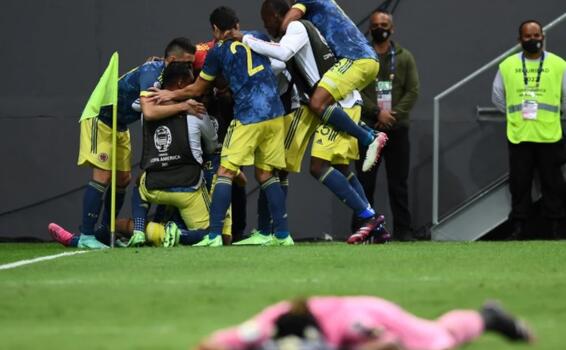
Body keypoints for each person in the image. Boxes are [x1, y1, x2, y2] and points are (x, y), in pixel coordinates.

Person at [233, 0, 388, 245]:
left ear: (277, 15)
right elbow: (280, 63)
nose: (268, 26)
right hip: (342, 103)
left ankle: (275, 232)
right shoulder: (299, 31)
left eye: (267, 21)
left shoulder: (296, 28)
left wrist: (245, 40)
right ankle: (374, 221)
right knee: (341, 168)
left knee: (312, 166)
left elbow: (281, 57)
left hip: (335, 104)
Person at [149, 6, 292, 247]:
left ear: (215, 29)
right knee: (267, 174)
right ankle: (282, 235)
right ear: (236, 24)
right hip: (275, 113)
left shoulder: (218, 51)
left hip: (249, 115)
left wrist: (168, 95)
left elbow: (197, 89)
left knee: (225, 172)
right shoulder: (258, 35)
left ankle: (213, 235)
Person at [48, 38, 202, 248]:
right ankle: (85, 235)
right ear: (172, 59)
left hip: (119, 125)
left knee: (123, 179)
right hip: (100, 118)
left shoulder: (167, 76)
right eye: (186, 62)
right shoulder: (151, 71)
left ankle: (104, 231)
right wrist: (184, 106)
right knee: (103, 176)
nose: (189, 67)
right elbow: (149, 112)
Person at [279, 0, 387, 173]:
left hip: (355, 59)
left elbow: (285, 25)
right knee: (335, 107)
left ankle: (368, 138)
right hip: (362, 59)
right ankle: (369, 133)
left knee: (317, 103)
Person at [196, 296, 533, 350]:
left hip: (381, 317)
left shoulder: (351, 323)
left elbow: (390, 344)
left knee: (438, 339)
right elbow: (215, 342)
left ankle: (488, 317)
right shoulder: (271, 321)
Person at [492, 20, 566, 240]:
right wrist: (515, 115)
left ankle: (556, 228)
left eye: (536, 35)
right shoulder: (507, 66)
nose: (533, 40)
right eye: (528, 36)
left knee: (553, 185)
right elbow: (497, 97)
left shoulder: (558, 64)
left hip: (549, 135)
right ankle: (519, 228)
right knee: (519, 184)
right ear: (519, 40)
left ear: (543, 36)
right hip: (519, 135)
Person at [354, 9, 419, 242]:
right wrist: (376, 112)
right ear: (369, 29)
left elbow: (413, 91)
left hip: (397, 129)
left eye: (384, 24)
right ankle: (362, 229)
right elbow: (356, 89)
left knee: (398, 183)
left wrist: (393, 115)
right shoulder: (362, 56)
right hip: (368, 130)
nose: (379, 28)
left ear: (391, 29)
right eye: (375, 25)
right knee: (364, 183)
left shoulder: (404, 57)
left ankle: (404, 230)